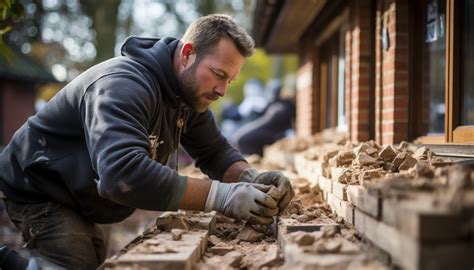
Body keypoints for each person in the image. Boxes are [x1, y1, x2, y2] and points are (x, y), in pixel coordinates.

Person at [0, 14, 294, 269]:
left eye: (229, 80)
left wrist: (249, 176)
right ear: (188, 53)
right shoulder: (123, 86)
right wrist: (223, 196)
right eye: (218, 74)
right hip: (40, 187)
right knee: (74, 263)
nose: (221, 91)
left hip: (79, 191)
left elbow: (214, 151)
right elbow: (123, 174)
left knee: (93, 258)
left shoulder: (187, 94)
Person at [232, 75, 296, 156]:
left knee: (243, 139)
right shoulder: (272, 105)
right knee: (241, 139)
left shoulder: (284, 106)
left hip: (277, 135)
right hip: (266, 132)